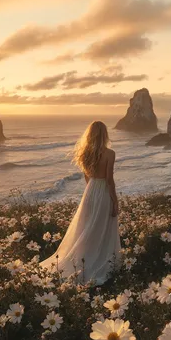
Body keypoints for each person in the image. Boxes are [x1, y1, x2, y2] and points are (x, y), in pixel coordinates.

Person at [39, 121, 121, 285]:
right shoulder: (110, 153)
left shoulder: (85, 153)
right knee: (102, 227)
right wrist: (115, 201)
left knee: (86, 226)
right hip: (103, 191)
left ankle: (82, 259)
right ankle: (100, 260)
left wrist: (91, 192)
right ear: (105, 134)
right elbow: (110, 181)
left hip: (90, 192)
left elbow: (87, 177)